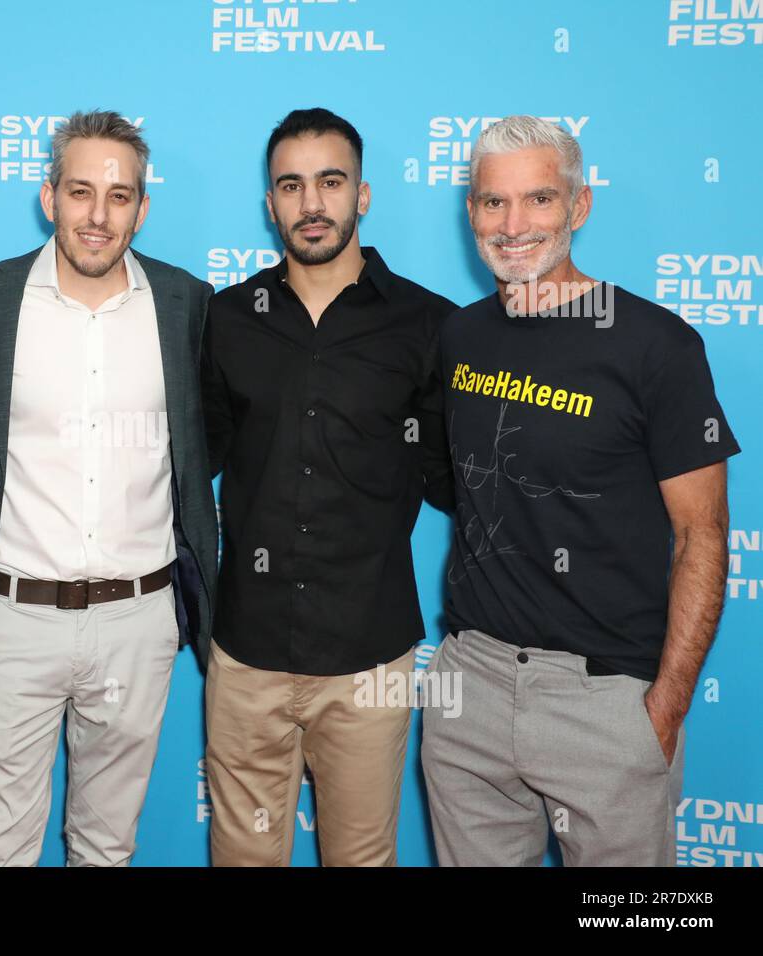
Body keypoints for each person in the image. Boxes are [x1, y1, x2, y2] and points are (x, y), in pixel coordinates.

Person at [422, 115, 739, 866]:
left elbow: (703, 534)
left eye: (538, 199)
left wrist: (663, 708)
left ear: (580, 205)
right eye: (493, 203)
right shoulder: (459, 338)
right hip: (471, 686)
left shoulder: (655, 345)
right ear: (470, 212)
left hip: (604, 701)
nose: (514, 225)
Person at [0, 109, 218, 867]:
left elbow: (210, 442)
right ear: (48, 195)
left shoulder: (187, 303)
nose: (98, 216)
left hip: (139, 621)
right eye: (81, 192)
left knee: (106, 849)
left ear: (142, 208)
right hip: (12, 619)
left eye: (119, 197)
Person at [200, 108, 455, 867]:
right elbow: (190, 463)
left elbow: (458, 479)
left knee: (362, 859)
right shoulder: (226, 318)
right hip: (247, 655)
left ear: (363, 195)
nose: (312, 203)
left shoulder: (429, 324)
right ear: (270, 204)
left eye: (330, 181)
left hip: (370, 657)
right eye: (292, 185)